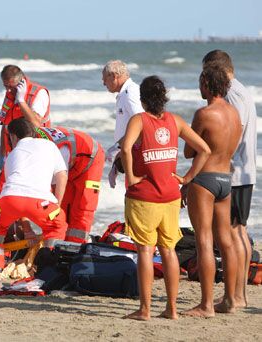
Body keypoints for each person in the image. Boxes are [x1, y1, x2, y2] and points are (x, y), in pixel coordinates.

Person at [121, 76, 210, 321]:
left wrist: (131, 177)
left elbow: (126, 148)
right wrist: (187, 178)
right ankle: (171, 309)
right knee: (168, 250)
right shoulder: (176, 121)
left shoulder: (139, 120)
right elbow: (204, 149)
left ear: (142, 99)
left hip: (145, 196)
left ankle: (145, 310)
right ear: (164, 97)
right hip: (170, 195)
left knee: (145, 251)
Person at [182, 64, 242, 317]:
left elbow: (188, 151)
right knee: (226, 241)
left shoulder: (204, 113)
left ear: (207, 83)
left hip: (204, 179)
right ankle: (229, 298)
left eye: (200, 81)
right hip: (225, 179)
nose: (199, 86)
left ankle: (206, 305)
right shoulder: (234, 114)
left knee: (204, 241)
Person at [202, 50, 257, 308]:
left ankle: (234, 297)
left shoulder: (232, 93)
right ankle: (240, 295)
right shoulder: (243, 90)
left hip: (235, 172)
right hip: (245, 170)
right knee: (239, 231)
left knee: (233, 233)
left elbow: (233, 130)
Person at [0, 118, 68, 272]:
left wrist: (27, 228)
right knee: (57, 226)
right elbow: (62, 177)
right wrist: (57, 205)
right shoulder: (50, 145)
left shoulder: (12, 154)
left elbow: (17, 193)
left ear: (13, 136)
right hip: (41, 203)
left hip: (9, 201)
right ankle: (48, 266)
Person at [36, 126, 105, 243]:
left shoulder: (54, 151)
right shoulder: (27, 143)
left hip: (91, 161)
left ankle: (75, 248)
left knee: (82, 208)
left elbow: (54, 187)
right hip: (71, 163)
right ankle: (59, 244)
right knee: (65, 209)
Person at [101, 60, 144, 188]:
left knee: (134, 194)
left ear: (114, 76)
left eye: (105, 79)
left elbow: (143, 123)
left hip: (135, 155)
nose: (104, 83)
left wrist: (117, 149)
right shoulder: (124, 93)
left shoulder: (130, 93)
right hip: (127, 153)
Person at [0, 65, 51, 168]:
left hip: (34, 155)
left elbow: (36, 124)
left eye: (11, 87)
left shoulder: (38, 94)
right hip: (13, 156)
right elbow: (4, 126)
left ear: (21, 82)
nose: (8, 90)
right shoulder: (10, 95)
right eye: (5, 86)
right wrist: (2, 156)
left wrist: (21, 101)